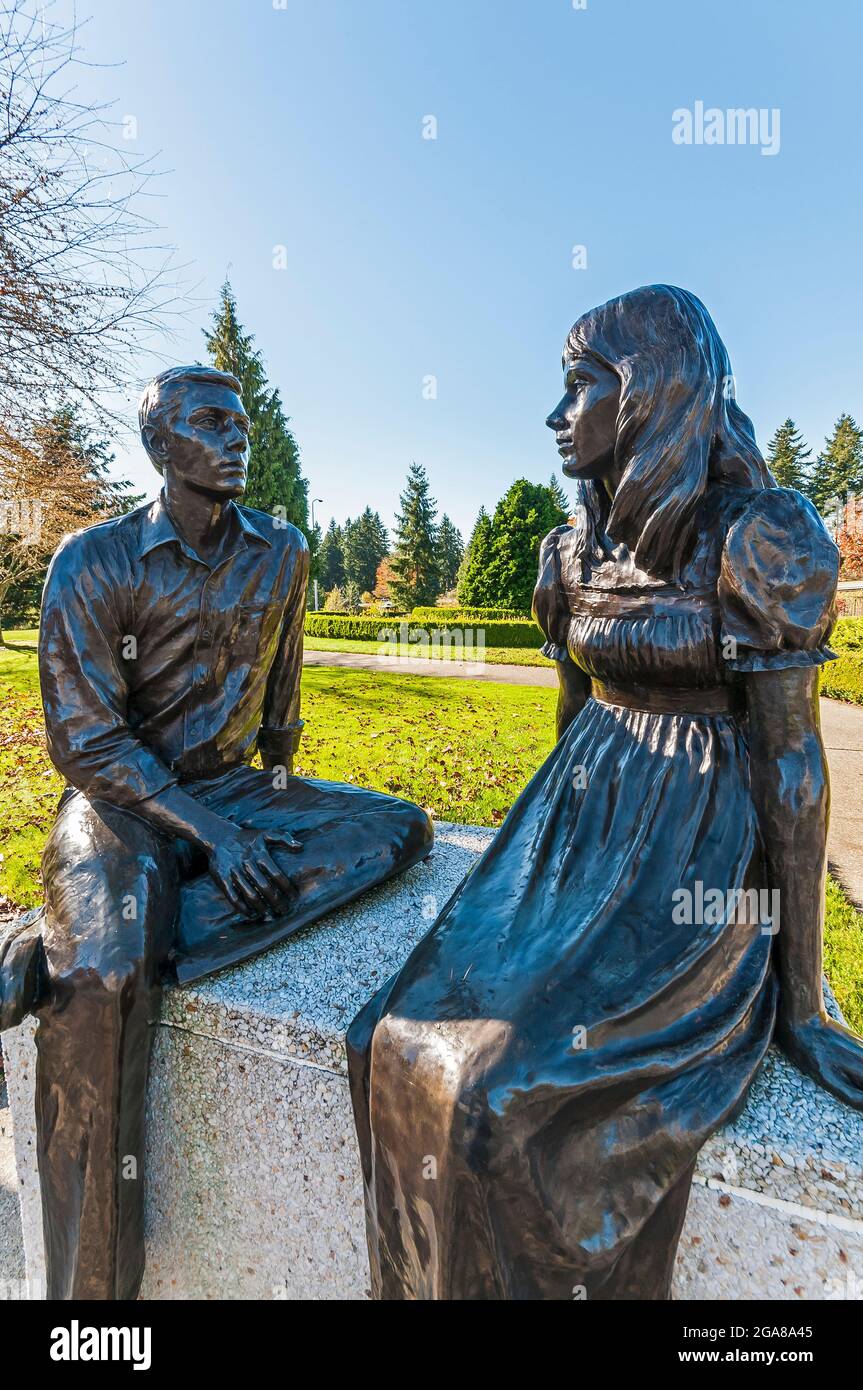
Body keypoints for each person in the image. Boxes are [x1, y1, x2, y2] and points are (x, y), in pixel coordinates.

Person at [347, 285, 863, 1300]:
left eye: (577, 387)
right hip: (572, 829)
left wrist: (797, 1000)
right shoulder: (569, 549)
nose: (553, 417)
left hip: (695, 851)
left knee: (501, 1092)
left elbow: (791, 766)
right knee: (385, 1037)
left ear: (647, 397)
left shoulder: (758, 536)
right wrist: (527, 892)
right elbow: (570, 722)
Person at [0, 364, 432, 1300]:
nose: (237, 437)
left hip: (241, 790)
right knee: (107, 989)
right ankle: (88, 1309)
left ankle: (69, 946)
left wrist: (275, 795)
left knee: (396, 832)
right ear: (160, 447)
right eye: (209, 423)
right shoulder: (94, 559)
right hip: (121, 803)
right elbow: (85, 740)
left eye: (240, 423)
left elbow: (281, 696)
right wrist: (211, 835)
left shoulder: (283, 551)